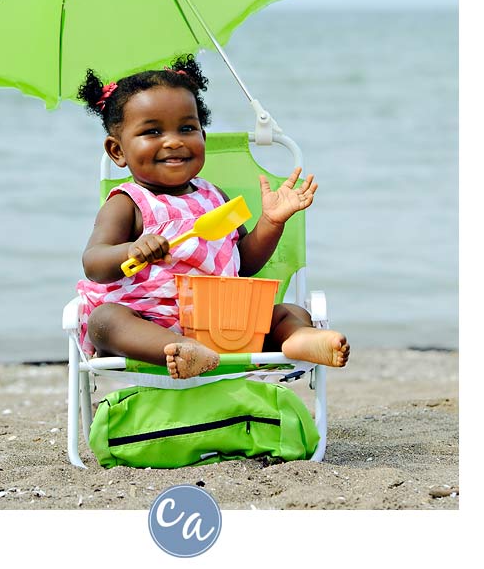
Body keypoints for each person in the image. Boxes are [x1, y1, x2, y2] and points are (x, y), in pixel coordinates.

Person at [76, 54, 350, 380]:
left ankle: (300, 339)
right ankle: (179, 349)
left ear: (203, 136)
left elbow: (243, 263)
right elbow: (94, 263)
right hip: (150, 324)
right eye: (152, 132)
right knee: (105, 321)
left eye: (187, 128)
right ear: (117, 151)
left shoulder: (213, 196)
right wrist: (131, 251)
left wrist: (272, 222)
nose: (174, 140)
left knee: (288, 312)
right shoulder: (128, 203)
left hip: (225, 325)